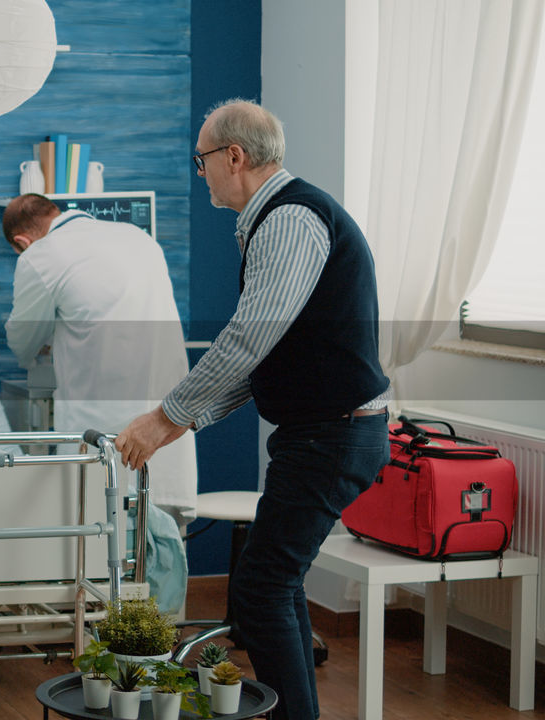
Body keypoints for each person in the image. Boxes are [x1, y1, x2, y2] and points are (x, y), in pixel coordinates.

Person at [112, 100, 391, 720]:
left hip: (332, 436)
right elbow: (265, 357)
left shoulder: (290, 219)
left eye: (202, 159)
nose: (201, 171)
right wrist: (183, 420)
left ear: (233, 156)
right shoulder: (278, 219)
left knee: (261, 590)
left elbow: (247, 339)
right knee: (274, 584)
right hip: (323, 434)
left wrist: (167, 418)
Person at [1, 193, 198, 522]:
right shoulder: (138, 237)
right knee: (162, 548)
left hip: (107, 424)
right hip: (168, 418)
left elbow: (22, 344)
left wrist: (51, 335)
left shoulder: (40, 256)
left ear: (22, 241)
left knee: (100, 547)